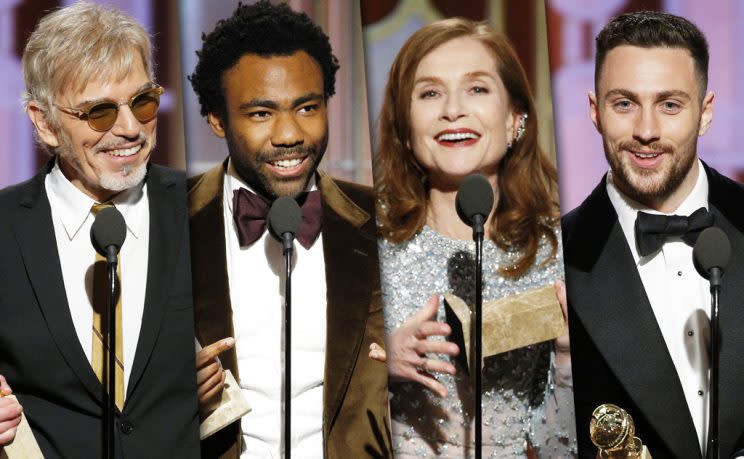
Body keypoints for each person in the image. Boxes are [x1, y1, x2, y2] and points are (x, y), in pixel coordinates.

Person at [187, 2, 390, 457]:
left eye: (306, 107)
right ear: (217, 119)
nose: (289, 134)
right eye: (261, 114)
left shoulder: (386, 222)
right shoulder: (163, 224)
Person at [0, 2, 200, 457]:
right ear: (45, 122)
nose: (131, 129)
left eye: (143, 102)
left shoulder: (204, 208)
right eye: (100, 113)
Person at [370, 18, 576, 457]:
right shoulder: (365, 246)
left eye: (477, 89)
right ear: (406, 130)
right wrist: (381, 365)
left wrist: (569, 360)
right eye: (429, 93)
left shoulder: (557, 253)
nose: (452, 110)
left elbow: (560, 447)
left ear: (515, 118)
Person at [563, 11, 744, 458]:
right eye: (625, 103)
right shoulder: (557, 257)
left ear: (704, 113)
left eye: (669, 105)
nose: (646, 131)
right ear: (595, 111)